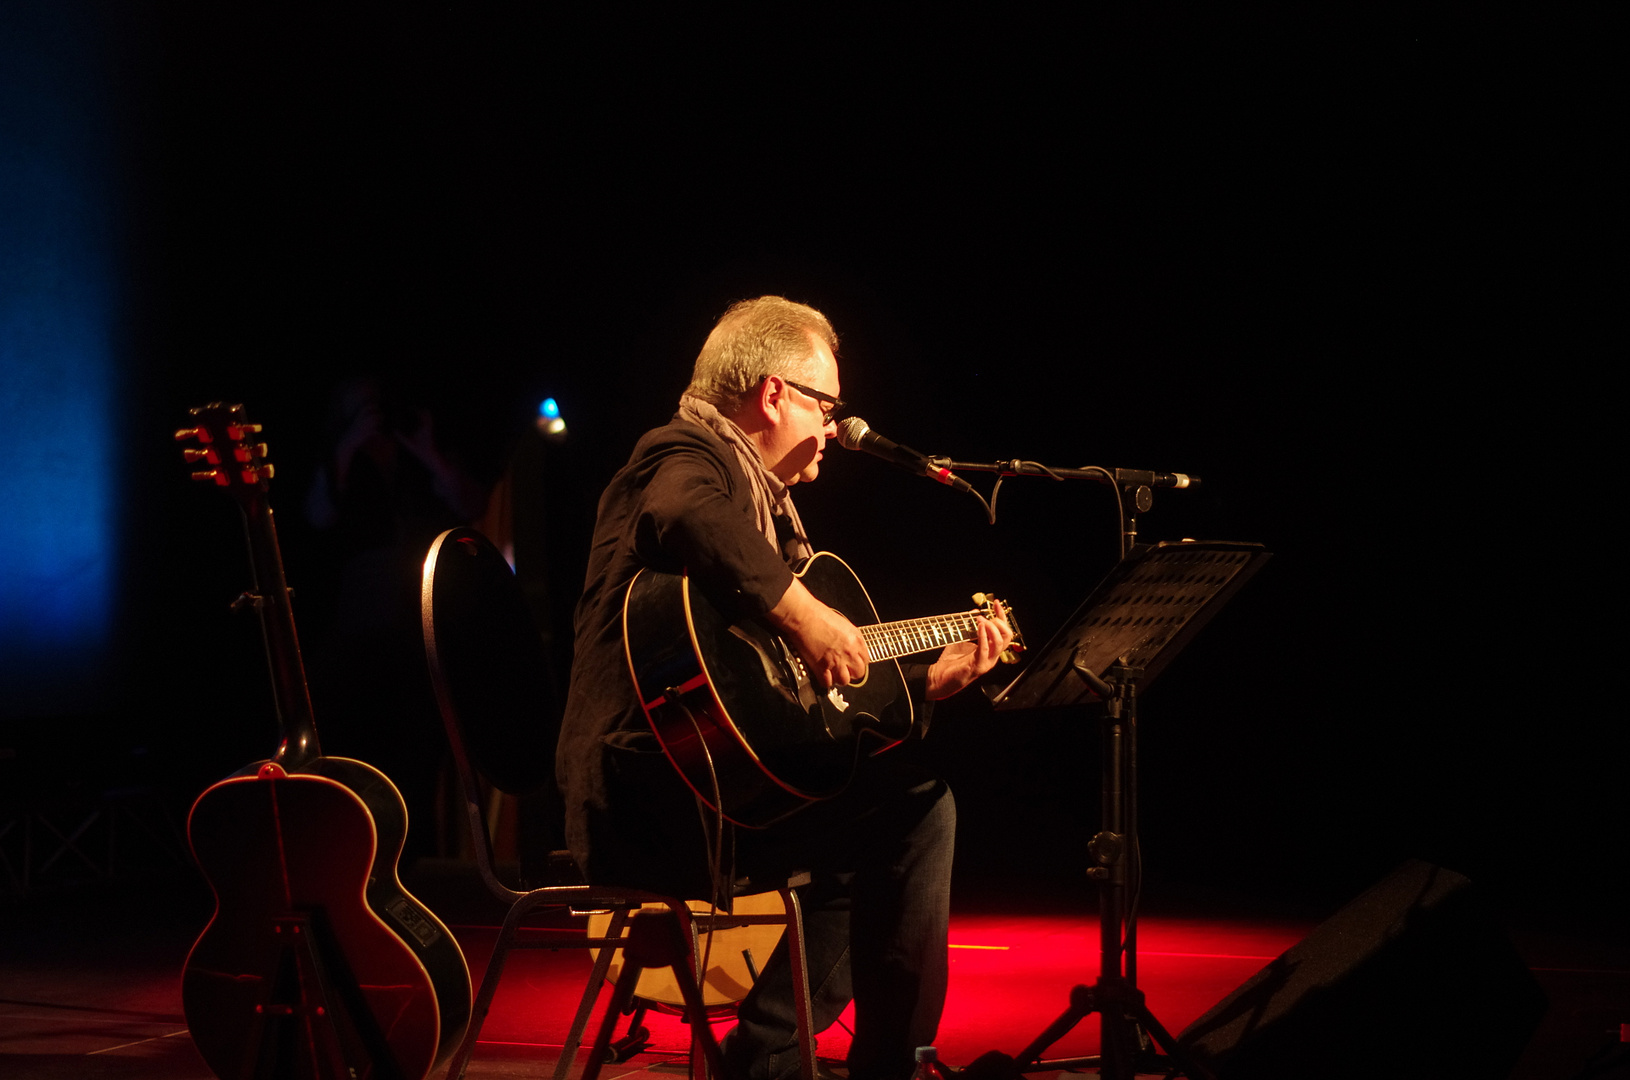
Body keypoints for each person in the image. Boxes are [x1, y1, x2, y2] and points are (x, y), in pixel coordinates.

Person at [556, 296, 1013, 1080]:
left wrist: (924, 683)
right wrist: (803, 613)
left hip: (707, 784)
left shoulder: (763, 506)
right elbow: (679, 514)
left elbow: (774, 700)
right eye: (826, 405)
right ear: (774, 394)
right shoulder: (683, 456)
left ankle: (769, 1058)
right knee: (916, 812)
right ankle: (869, 1065)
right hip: (653, 797)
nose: (835, 427)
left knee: (891, 810)